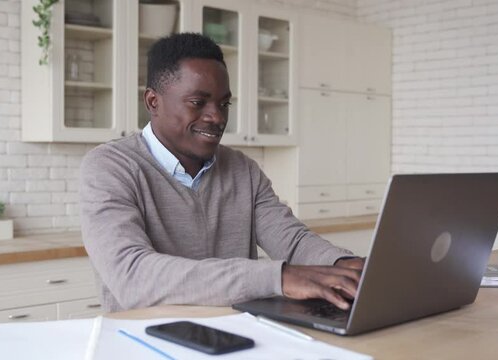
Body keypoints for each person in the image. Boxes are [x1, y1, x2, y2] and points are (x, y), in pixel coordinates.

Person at [80, 33, 364, 313]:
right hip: (145, 343)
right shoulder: (109, 167)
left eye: (224, 103)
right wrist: (278, 277)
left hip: (235, 339)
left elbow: (291, 240)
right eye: (198, 102)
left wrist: (342, 266)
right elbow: (133, 276)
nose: (217, 117)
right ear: (153, 102)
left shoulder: (244, 170)